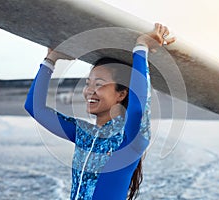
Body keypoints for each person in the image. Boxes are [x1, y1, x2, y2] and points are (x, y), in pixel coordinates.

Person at [24, 23, 175, 200]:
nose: (89, 90)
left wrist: (141, 47)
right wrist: (51, 60)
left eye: (99, 84)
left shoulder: (130, 138)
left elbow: (137, 111)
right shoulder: (84, 134)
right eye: (88, 84)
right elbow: (35, 108)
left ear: (121, 94)